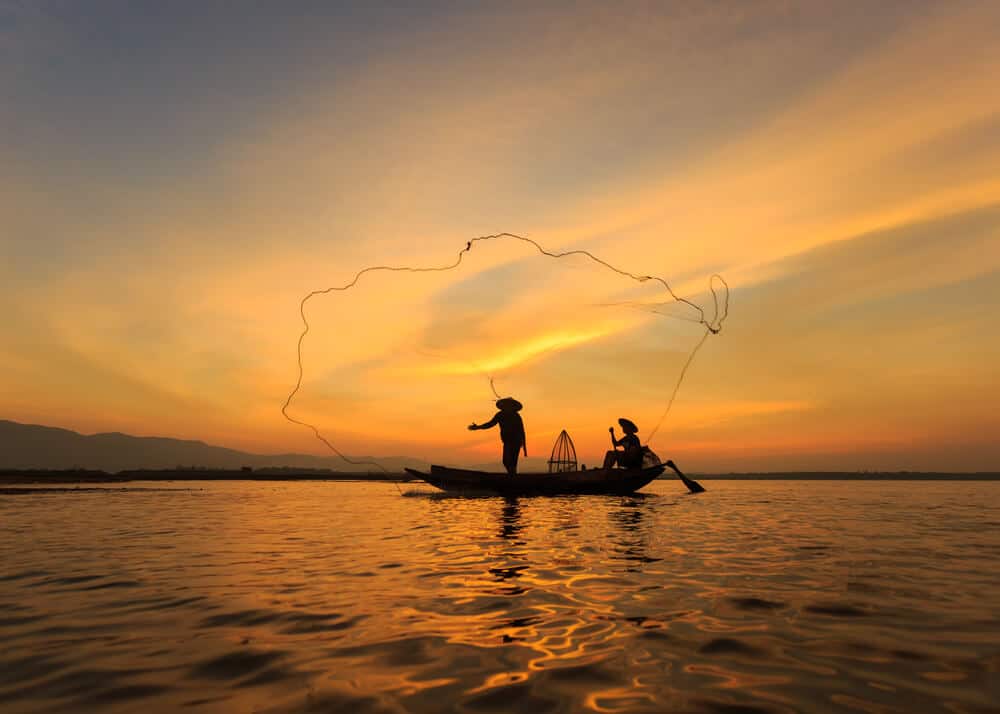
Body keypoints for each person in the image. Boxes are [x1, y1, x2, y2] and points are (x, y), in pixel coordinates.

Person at [468, 397, 527, 475]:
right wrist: (478, 427)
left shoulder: (516, 416)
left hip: (516, 441)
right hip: (507, 441)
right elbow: (490, 424)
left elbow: (522, 430)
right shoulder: (500, 414)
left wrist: (524, 446)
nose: (507, 406)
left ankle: (512, 477)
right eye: (506, 405)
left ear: (512, 406)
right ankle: (512, 476)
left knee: (511, 461)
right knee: (506, 461)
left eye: (509, 405)